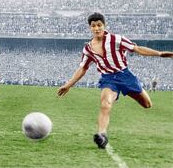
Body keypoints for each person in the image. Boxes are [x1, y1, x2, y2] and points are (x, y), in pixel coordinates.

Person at [57, 12, 173, 149]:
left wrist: (159, 54)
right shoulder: (88, 48)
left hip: (125, 76)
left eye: (99, 25)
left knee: (147, 104)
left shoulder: (116, 39)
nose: (96, 28)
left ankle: (130, 94)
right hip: (108, 79)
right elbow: (83, 68)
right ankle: (101, 135)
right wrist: (68, 85)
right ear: (90, 28)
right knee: (105, 104)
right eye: (93, 26)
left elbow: (136, 49)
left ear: (104, 25)